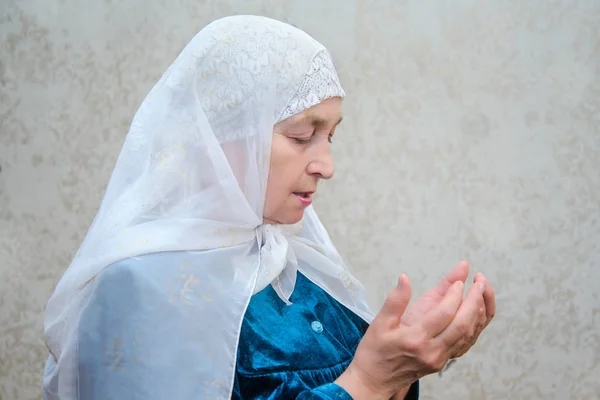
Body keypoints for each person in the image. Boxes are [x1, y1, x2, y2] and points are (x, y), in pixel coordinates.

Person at [42, 15, 495, 399]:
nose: (327, 166)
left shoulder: (298, 271)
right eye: (302, 135)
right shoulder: (138, 289)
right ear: (222, 137)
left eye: (331, 136)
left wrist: (404, 356)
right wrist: (368, 380)